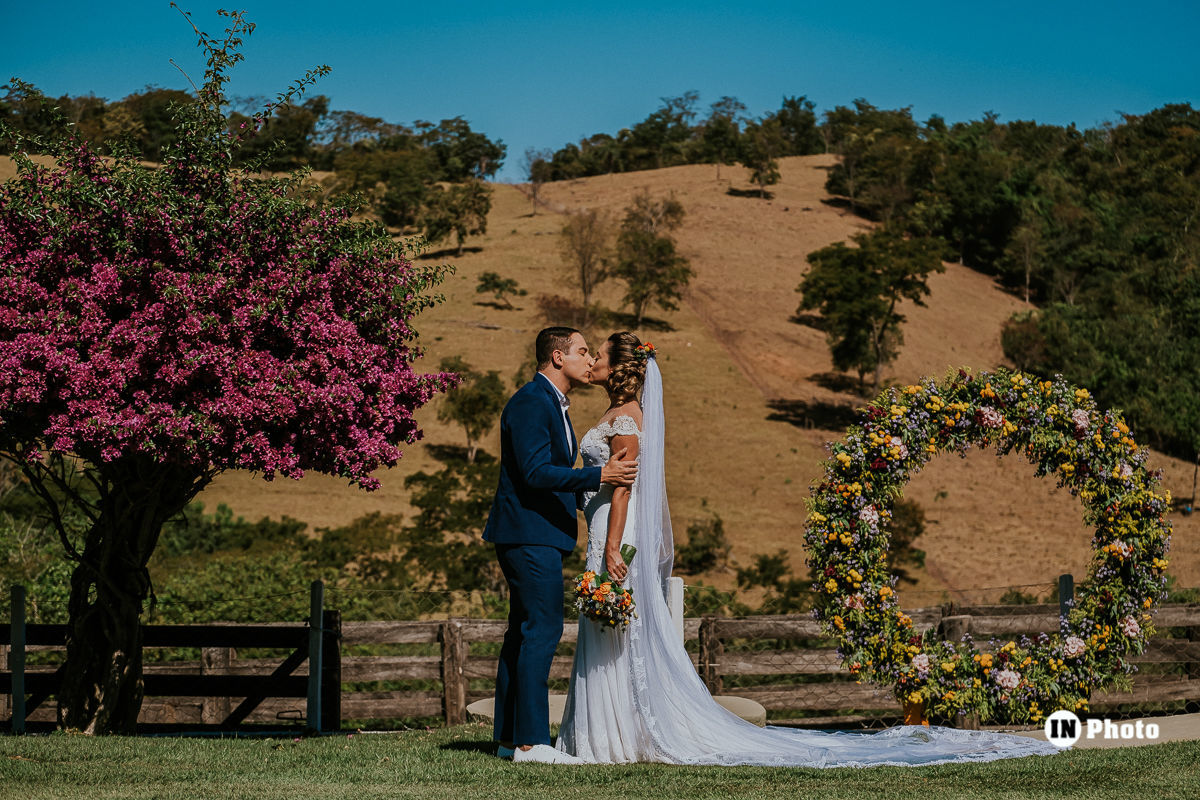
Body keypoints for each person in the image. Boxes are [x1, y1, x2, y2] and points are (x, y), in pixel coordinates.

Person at [556, 331, 1061, 767]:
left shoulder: (627, 418)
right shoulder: (616, 412)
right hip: (605, 531)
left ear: (619, 369)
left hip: (617, 537)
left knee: (617, 632)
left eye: (599, 354)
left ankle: (615, 737)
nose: (593, 360)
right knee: (613, 632)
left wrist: (612, 549)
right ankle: (608, 732)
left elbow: (623, 489)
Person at [483, 326, 639, 765]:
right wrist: (599, 476)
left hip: (535, 534)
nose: (590, 360)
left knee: (522, 631)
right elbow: (535, 473)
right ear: (557, 357)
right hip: (529, 534)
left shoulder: (553, 404)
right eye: (582, 351)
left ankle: (509, 739)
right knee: (543, 629)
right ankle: (531, 743)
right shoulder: (532, 402)